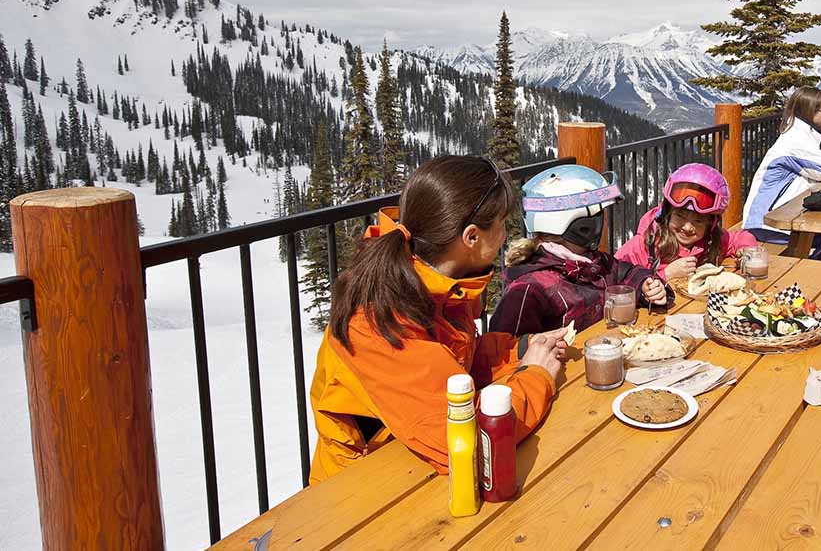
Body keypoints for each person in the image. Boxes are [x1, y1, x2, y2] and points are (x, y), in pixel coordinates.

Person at [309, 155, 566, 483]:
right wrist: (536, 376)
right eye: (502, 221)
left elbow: (449, 363)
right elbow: (471, 441)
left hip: (411, 463)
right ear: (471, 237)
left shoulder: (431, 280)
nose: (506, 232)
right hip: (365, 493)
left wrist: (520, 349)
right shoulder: (379, 320)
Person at [491, 164, 669, 336]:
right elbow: (504, 349)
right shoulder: (529, 289)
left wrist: (645, 284)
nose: (606, 221)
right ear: (583, 226)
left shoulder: (594, 262)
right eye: (601, 215)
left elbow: (627, 272)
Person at [741, 87, 821, 259]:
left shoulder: (800, 134)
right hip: (766, 224)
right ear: (810, 111)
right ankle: (813, 281)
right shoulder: (795, 141)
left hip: (777, 218)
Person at [615, 162, 759, 280]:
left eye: (698, 221)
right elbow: (616, 279)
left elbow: (740, 238)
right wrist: (666, 275)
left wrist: (746, 251)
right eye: (680, 216)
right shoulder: (645, 245)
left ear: (710, 224)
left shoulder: (710, 241)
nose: (688, 227)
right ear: (667, 213)